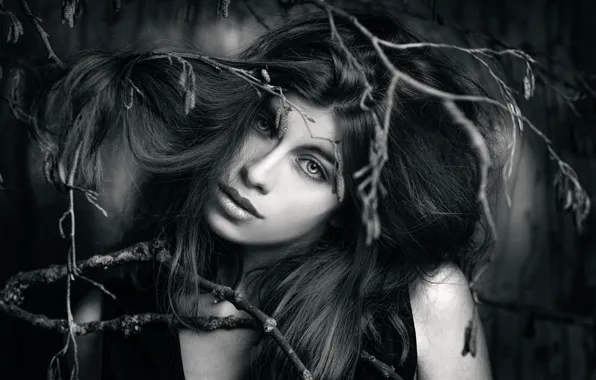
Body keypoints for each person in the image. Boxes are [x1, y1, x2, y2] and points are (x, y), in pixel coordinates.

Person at [28, 9, 508, 380]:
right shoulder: (108, 313)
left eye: (313, 167)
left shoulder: (426, 303)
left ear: (352, 208)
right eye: (265, 123)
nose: (258, 172)